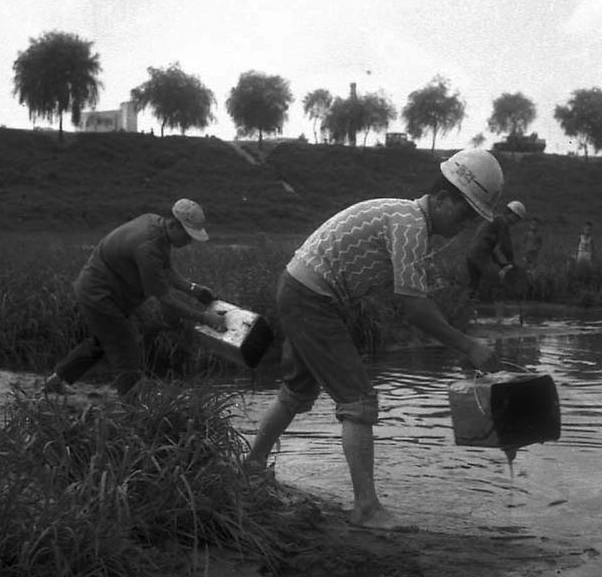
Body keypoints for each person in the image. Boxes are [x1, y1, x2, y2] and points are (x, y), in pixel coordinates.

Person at [243, 148, 504, 530]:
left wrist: (458, 344)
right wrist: (467, 344)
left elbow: (410, 299)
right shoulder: (410, 223)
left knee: (298, 391)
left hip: (303, 290)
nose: (464, 226)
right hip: (310, 296)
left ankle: (251, 466)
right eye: (464, 214)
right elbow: (415, 309)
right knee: (359, 401)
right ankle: (366, 508)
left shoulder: (407, 219)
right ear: (443, 198)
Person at [45, 199, 227, 396]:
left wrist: (195, 290)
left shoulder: (155, 225)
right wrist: (203, 318)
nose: (189, 241)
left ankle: (56, 381)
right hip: (99, 295)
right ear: (174, 225)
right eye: (188, 235)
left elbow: (167, 270)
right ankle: (132, 409)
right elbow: (165, 298)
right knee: (127, 351)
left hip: (107, 292)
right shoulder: (148, 247)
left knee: (104, 341)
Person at [466, 199, 526, 303]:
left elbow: (488, 246)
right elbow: (505, 245)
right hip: (480, 255)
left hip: (471, 254)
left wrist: (499, 262)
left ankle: (467, 307)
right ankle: (497, 312)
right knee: (497, 279)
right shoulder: (503, 222)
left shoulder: (495, 219)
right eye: (517, 219)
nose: (515, 223)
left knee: (473, 285)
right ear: (512, 214)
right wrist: (511, 261)